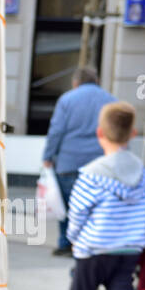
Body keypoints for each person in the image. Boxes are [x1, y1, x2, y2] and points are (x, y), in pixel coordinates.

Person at [65, 102, 145, 290]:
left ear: (99, 132)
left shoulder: (91, 174)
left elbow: (77, 212)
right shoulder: (141, 172)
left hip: (95, 249)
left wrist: (73, 238)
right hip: (129, 249)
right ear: (132, 133)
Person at [42, 66, 117, 256]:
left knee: (66, 207)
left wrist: (48, 156)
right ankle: (90, 244)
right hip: (101, 165)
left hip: (68, 163)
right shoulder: (110, 101)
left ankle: (66, 243)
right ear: (97, 81)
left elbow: (56, 131)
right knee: (94, 207)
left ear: (75, 83)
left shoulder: (66, 99)